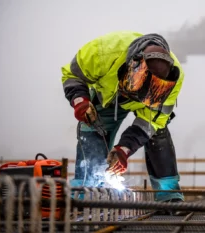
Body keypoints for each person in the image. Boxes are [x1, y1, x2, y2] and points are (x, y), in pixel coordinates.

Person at [61, 30, 185, 204]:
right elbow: (72, 74)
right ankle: (87, 190)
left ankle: (168, 194)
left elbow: (152, 122)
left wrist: (124, 150)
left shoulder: (174, 80)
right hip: (111, 96)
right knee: (91, 129)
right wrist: (80, 101)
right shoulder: (102, 52)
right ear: (131, 66)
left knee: (158, 132)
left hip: (149, 108)